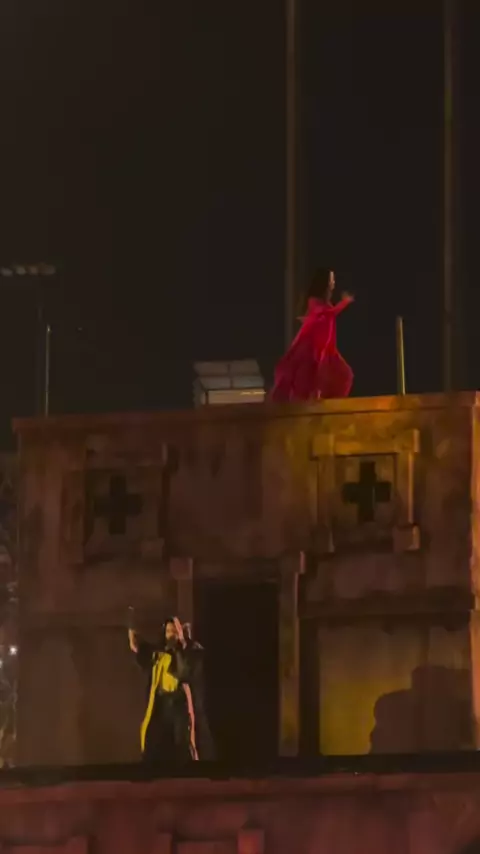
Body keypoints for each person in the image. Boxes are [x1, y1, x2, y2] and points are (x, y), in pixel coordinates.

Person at [128, 616, 213, 764]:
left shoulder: (191, 651)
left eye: (174, 631)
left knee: (183, 745)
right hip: (161, 705)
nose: (171, 635)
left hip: (179, 705)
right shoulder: (160, 654)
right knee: (155, 742)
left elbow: (185, 672)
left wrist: (181, 645)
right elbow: (138, 648)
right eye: (168, 631)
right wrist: (131, 625)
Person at [270, 268, 354, 403]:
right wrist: (343, 303)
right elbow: (324, 314)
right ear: (325, 283)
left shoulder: (324, 304)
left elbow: (327, 314)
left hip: (324, 346)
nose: (333, 283)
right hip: (313, 345)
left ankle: (322, 398)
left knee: (343, 374)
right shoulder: (316, 302)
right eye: (331, 280)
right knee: (311, 373)